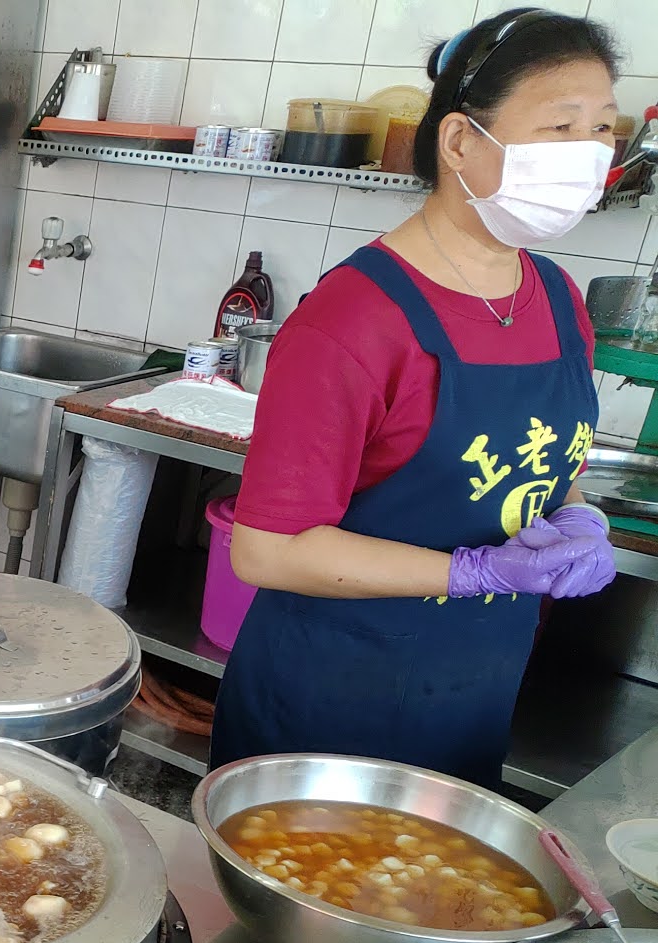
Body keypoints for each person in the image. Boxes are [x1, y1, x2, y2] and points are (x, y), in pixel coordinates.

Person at [212, 8, 621, 788]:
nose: (590, 152)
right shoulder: (354, 320)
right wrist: (475, 573)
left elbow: (541, 463)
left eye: (603, 128)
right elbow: (266, 549)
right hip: (330, 706)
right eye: (561, 127)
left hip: (471, 697)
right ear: (461, 141)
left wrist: (579, 515)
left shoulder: (558, 299)